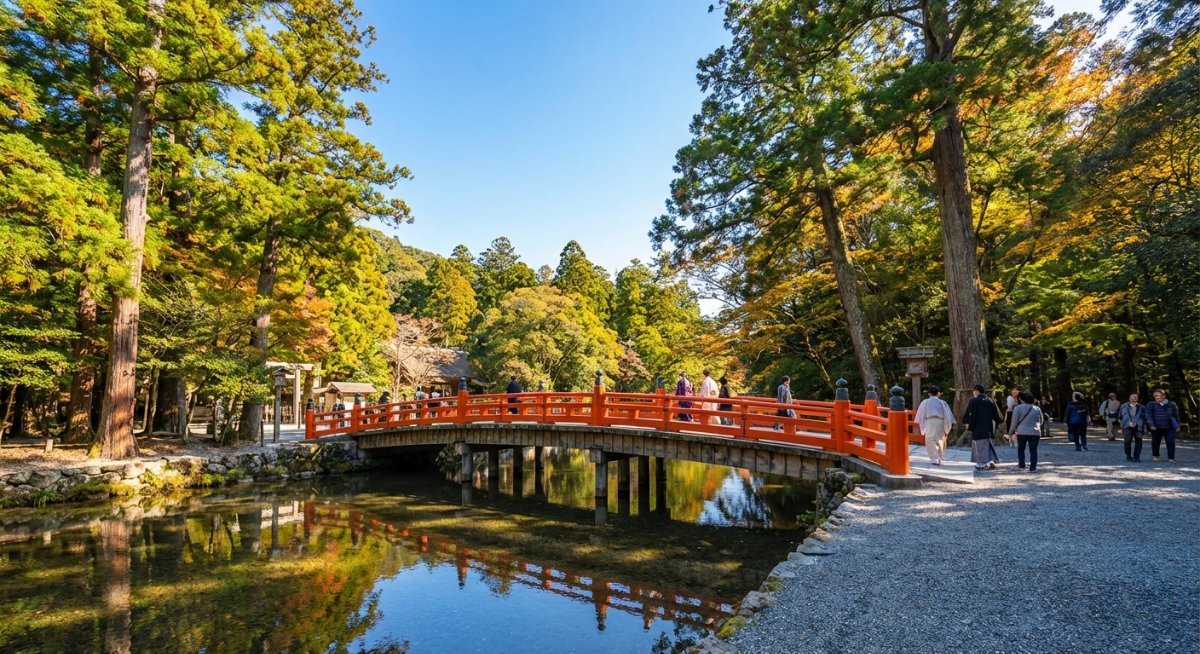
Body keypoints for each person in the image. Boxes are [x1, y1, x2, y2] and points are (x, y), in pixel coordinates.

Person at [963, 384, 1002, 470]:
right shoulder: (990, 400)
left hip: (978, 427)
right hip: (989, 427)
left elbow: (971, 415)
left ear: (976, 391)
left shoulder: (974, 401)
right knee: (989, 444)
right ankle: (990, 461)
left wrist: (968, 424)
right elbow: (997, 416)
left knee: (980, 445)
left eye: (974, 391)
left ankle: (982, 463)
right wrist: (996, 425)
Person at [915, 386, 954, 466]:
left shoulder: (925, 402)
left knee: (930, 439)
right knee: (940, 439)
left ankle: (934, 458)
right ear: (938, 393)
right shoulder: (942, 402)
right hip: (940, 421)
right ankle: (939, 457)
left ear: (929, 394)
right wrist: (947, 426)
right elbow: (947, 415)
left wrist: (922, 425)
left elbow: (921, 414)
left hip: (929, 421)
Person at [1006, 391, 1044, 471]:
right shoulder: (1037, 408)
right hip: (1035, 432)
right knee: (1033, 450)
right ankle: (1033, 467)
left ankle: (1022, 465)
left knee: (1021, 449)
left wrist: (1010, 432)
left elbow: (1014, 422)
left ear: (1023, 399)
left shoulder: (1018, 408)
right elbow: (1041, 420)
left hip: (1021, 432)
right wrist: (1036, 426)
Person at [1145, 389, 1181, 464]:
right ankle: (1156, 455)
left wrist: (1178, 425)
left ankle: (1171, 458)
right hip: (1156, 427)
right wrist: (1151, 425)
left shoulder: (1172, 404)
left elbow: (1176, 415)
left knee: (1171, 442)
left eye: (1159, 395)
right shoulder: (1151, 404)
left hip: (1170, 427)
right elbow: (1148, 415)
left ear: (1164, 396)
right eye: (1156, 396)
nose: (1158, 397)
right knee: (1155, 442)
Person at [1119, 393, 1147, 462]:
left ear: (1138, 399)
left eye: (1136, 397)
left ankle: (1137, 457)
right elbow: (1121, 416)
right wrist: (1129, 422)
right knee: (1127, 441)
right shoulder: (1124, 406)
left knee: (1139, 441)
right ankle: (1128, 455)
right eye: (1132, 397)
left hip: (1139, 426)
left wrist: (1138, 423)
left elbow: (1144, 417)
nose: (1134, 398)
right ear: (1129, 398)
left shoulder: (1142, 407)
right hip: (1127, 426)